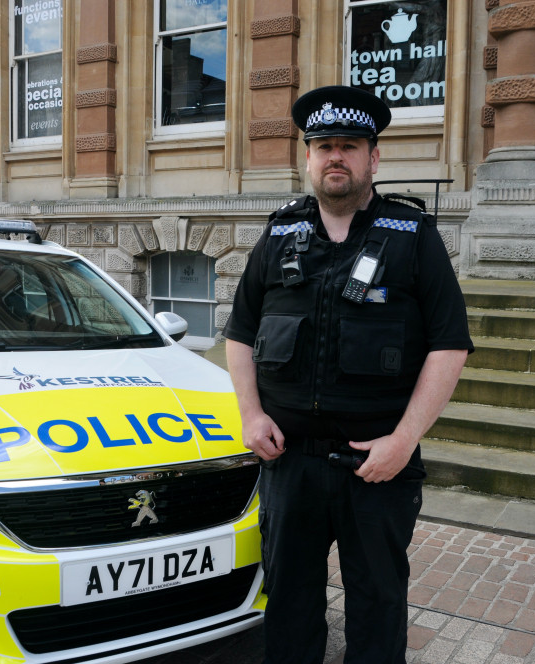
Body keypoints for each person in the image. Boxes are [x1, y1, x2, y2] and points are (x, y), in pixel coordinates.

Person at [223, 85, 473, 664]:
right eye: (324, 146)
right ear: (308, 158)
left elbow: (449, 346)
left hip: (377, 466)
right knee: (289, 602)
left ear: (373, 158)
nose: (336, 156)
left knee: (378, 603)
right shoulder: (280, 233)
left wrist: (403, 442)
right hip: (289, 464)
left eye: (350, 146)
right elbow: (239, 332)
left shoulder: (413, 237)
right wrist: (251, 414)